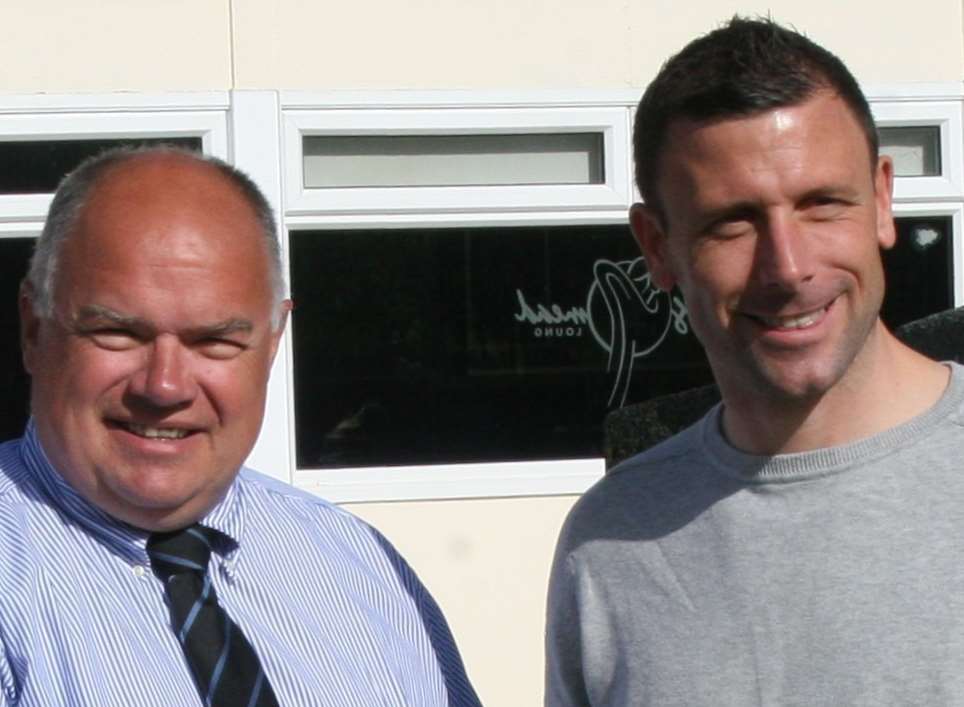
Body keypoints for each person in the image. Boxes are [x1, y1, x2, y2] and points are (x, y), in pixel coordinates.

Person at [546, 16, 962, 706]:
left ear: (883, 200)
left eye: (821, 204)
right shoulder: (611, 541)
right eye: (732, 221)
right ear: (656, 246)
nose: (788, 266)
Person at [0, 146, 481, 706]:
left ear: (272, 344)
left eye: (215, 342)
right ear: (34, 330)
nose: (165, 386)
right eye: (120, 334)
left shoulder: (359, 563)